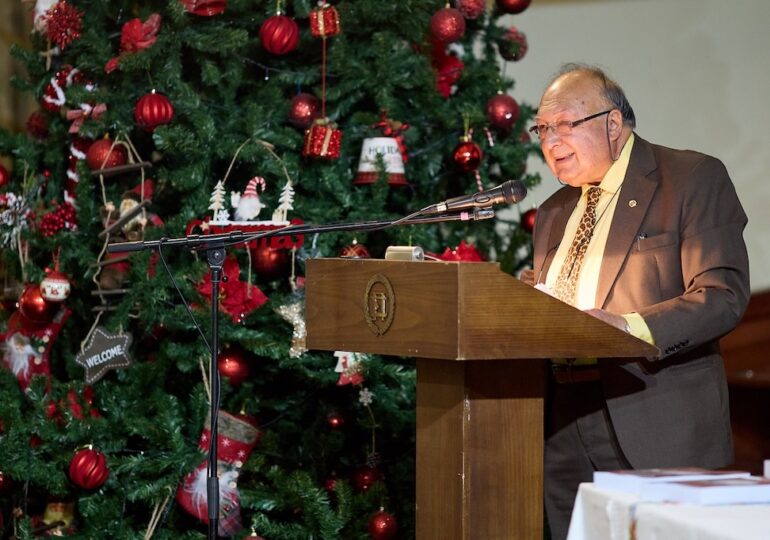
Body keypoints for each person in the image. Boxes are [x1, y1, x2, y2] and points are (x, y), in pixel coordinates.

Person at [526, 64, 750, 539]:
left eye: (565, 124)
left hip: (654, 409)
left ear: (612, 123)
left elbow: (721, 296)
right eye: (542, 128)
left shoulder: (690, 178)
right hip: (565, 416)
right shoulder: (552, 210)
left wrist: (629, 328)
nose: (550, 140)